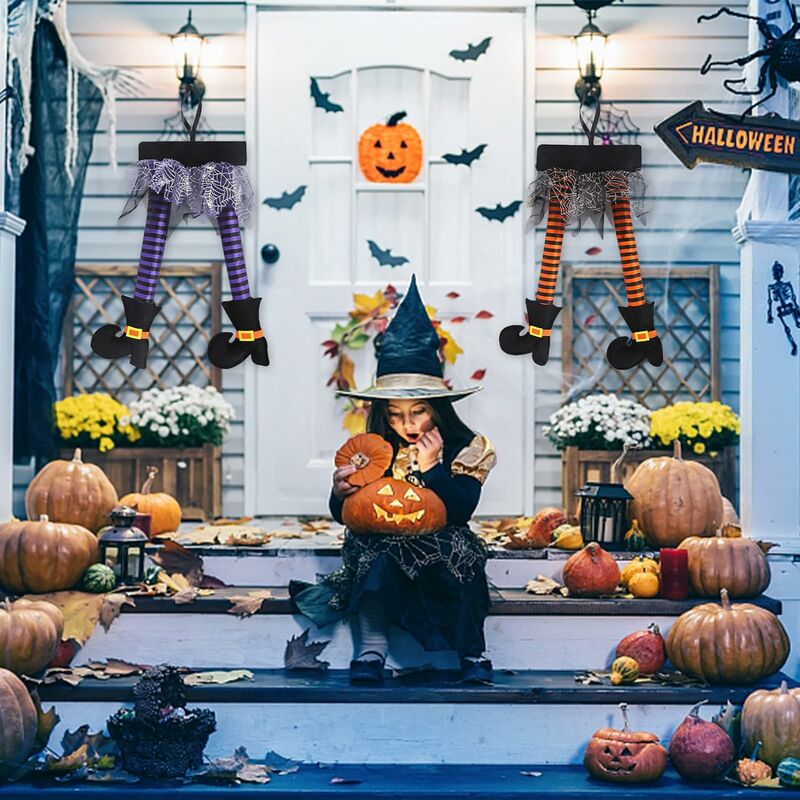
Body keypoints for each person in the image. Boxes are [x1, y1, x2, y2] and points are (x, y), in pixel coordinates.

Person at [289, 275, 496, 684]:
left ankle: (471, 652)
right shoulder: (375, 448)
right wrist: (339, 493)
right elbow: (352, 513)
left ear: (438, 408)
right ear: (383, 414)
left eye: (418, 412)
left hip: (443, 539)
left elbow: (460, 509)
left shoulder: (466, 446)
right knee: (373, 558)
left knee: (464, 562)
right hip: (384, 541)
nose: (408, 424)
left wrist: (434, 466)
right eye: (396, 414)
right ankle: (372, 647)